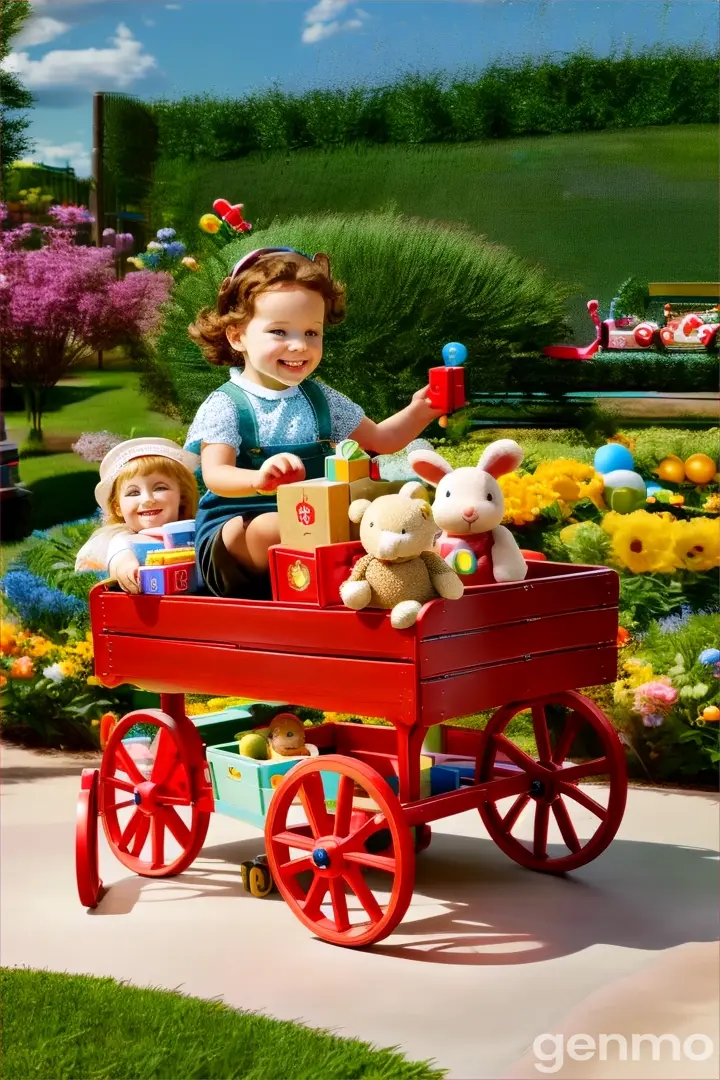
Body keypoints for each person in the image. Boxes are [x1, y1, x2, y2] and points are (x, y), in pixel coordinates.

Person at [185, 246, 445, 599]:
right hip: (239, 535)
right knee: (274, 526)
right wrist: (259, 480)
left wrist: (422, 409)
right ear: (237, 336)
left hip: (316, 522)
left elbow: (383, 439)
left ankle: (391, 577)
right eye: (279, 332)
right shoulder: (227, 404)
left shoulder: (319, 398)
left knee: (376, 516)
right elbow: (216, 476)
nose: (298, 346)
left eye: (311, 333)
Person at [75, 437, 199, 593]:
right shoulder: (121, 538)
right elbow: (119, 550)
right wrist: (123, 564)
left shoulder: (193, 532)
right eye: (133, 492)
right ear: (118, 507)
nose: (147, 499)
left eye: (160, 488)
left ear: (182, 496)